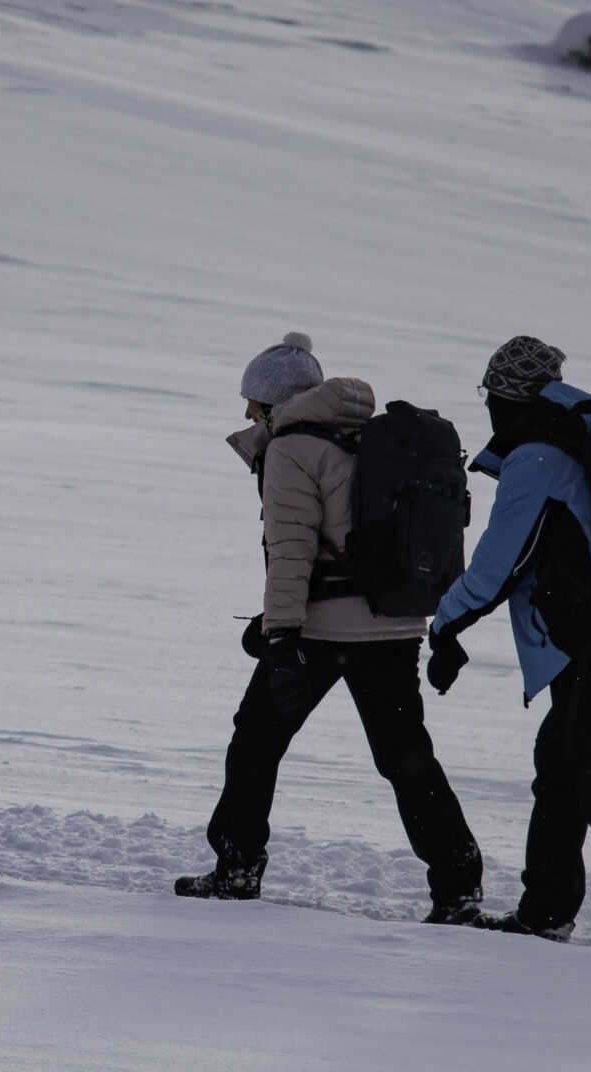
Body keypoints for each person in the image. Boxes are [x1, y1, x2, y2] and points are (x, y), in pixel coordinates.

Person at [175, 332, 486, 925]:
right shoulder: (362, 435)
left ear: (276, 402)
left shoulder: (292, 448)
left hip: (321, 634)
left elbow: (291, 551)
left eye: (252, 401)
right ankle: (458, 884)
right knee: (407, 758)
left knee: (255, 744)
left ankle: (237, 869)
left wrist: (281, 635)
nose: (246, 413)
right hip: (394, 628)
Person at [426, 335, 591, 960]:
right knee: (564, 765)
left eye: (490, 392)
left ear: (505, 394)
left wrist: (444, 627)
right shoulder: (587, 431)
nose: (488, 403)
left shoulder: (539, 456)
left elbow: (498, 564)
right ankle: (546, 910)